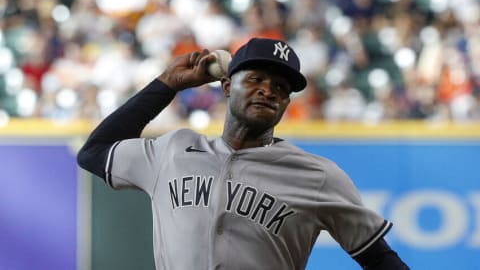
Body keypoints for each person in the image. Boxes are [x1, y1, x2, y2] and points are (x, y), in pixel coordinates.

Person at [77, 37, 409, 270]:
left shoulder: (318, 176)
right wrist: (167, 84)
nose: (268, 90)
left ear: (286, 104)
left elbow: (378, 258)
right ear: (226, 87)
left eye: (281, 88)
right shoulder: (173, 150)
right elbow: (94, 152)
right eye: (256, 79)